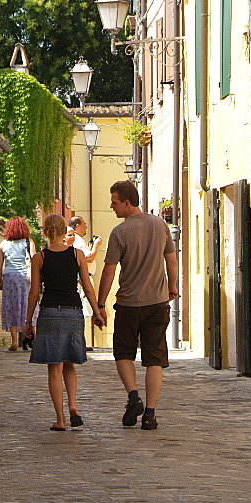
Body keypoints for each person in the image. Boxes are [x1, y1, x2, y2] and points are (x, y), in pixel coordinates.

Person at [96, 180, 178, 430]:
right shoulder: (159, 225)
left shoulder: (119, 233)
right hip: (157, 302)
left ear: (127, 202)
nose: (112, 206)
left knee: (123, 353)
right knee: (154, 358)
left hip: (129, 304)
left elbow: (109, 272)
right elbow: (171, 261)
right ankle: (150, 413)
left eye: (114, 202)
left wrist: (100, 303)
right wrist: (172, 287)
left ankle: (133, 397)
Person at [24, 213, 104, 431]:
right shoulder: (77, 255)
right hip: (73, 311)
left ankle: (60, 419)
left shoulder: (39, 258)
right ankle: (73, 406)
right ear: (63, 231)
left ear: (45, 232)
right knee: (69, 363)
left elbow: (34, 292)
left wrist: (28, 320)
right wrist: (97, 311)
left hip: (49, 312)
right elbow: (87, 287)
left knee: (54, 367)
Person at [0, 216, 34, 351]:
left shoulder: (3, 244)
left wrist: (1, 282)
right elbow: (34, 260)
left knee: (10, 307)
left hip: (9, 278)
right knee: (28, 306)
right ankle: (33, 335)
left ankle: (14, 341)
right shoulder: (28, 242)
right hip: (25, 277)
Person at [69, 215, 103, 350]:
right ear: (77, 226)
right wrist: (96, 246)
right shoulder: (76, 239)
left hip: (85, 277)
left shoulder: (78, 240)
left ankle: (80, 341)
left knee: (84, 311)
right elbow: (88, 257)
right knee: (83, 310)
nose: (86, 227)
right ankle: (79, 342)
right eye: (84, 224)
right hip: (84, 278)